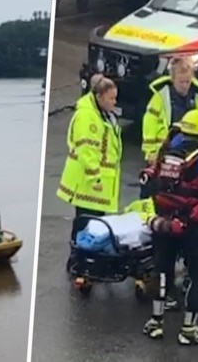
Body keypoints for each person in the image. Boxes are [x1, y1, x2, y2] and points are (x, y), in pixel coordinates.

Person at [142, 109, 198, 345]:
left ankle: (155, 321)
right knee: (197, 274)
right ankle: (189, 327)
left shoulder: (165, 154)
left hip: (165, 225)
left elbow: (151, 189)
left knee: (162, 268)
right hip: (191, 227)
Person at [57, 75, 123, 268]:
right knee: (85, 221)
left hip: (99, 182)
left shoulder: (103, 114)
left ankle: (88, 259)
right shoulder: (88, 117)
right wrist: (95, 177)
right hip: (89, 183)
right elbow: (88, 151)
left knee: (94, 223)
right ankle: (77, 260)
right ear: (100, 96)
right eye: (111, 98)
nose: (114, 102)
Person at [142, 56, 198, 163]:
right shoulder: (161, 96)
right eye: (181, 82)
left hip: (190, 150)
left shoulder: (197, 98)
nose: (184, 86)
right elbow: (149, 123)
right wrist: (150, 152)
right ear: (173, 79)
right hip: (165, 149)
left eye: (187, 82)